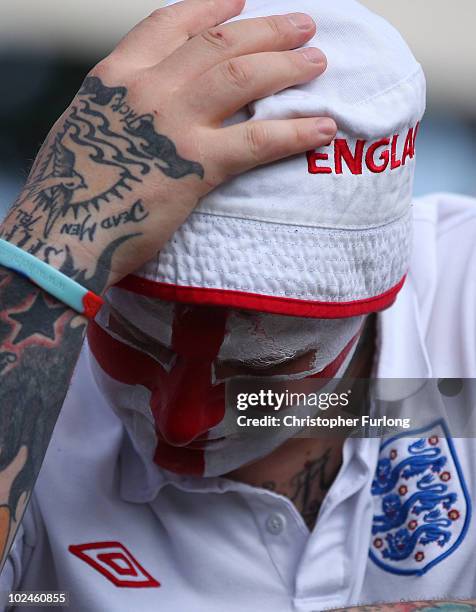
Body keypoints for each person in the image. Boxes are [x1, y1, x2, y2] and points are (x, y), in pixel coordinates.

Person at [0, 0, 475, 610]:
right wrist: (51, 239)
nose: (182, 423)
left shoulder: (458, 293)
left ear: (381, 292)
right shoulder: (36, 320)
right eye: (134, 340)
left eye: (265, 368)